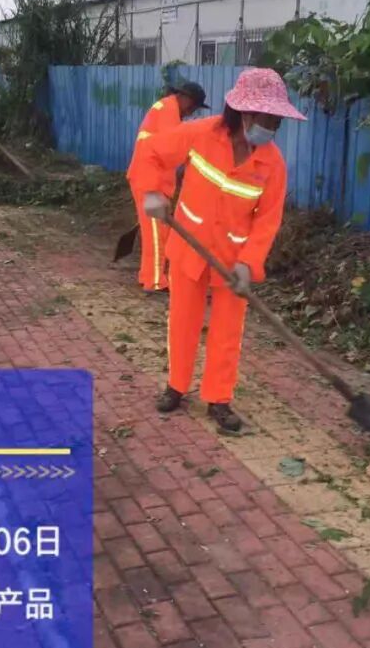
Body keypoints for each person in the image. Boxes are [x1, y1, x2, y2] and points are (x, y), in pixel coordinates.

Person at [137, 68, 305, 432]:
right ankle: (176, 387)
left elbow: (267, 221)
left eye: (277, 121)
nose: (273, 127)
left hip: (232, 261)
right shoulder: (202, 134)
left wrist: (249, 264)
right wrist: (153, 192)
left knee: (228, 333)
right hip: (189, 248)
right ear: (245, 112)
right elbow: (151, 152)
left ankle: (219, 398)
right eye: (268, 119)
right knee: (183, 322)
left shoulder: (272, 164)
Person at [126, 81, 208, 293]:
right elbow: (173, 145)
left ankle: (148, 275)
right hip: (149, 181)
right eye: (193, 107)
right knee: (155, 233)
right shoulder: (169, 110)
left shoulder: (166, 109)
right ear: (185, 98)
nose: (191, 112)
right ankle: (154, 281)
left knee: (158, 231)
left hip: (153, 180)